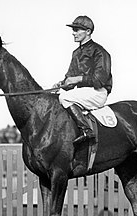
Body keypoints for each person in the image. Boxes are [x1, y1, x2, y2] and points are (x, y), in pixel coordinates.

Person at [55, 15, 113, 144]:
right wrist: (62, 84)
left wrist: (76, 79)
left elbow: (99, 80)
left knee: (64, 98)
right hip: (82, 93)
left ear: (88, 32)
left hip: (97, 92)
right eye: (73, 30)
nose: (73, 33)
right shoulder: (76, 53)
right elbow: (69, 80)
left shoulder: (100, 52)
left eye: (77, 30)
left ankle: (87, 131)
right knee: (55, 97)